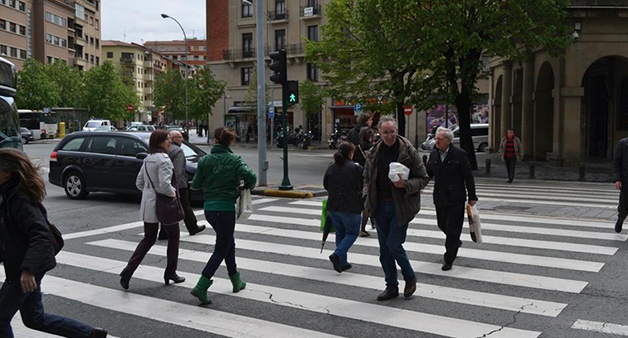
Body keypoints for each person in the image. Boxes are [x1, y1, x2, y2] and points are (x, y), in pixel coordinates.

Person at [0, 148, 107, 338]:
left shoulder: (19, 200)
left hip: (23, 269)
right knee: (34, 318)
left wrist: (28, 270)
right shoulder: (9, 195)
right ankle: (89, 334)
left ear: (7, 172)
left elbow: (41, 235)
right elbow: (10, 236)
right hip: (23, 265)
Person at [363, 115, 430, 301]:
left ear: (397, 131)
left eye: (392, 132)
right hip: (379, 205)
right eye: (385, 132)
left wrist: (406, 185)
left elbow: (423, 178)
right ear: (379, 132)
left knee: (394, 244)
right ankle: (391, 287)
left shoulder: (408, 151)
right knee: (384, 250)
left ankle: (410, 277)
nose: (389, 136)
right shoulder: (375, 151)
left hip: (400, 206)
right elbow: (367, 178)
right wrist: (366, 198)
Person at [190, 127, 257, 305]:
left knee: (228, 242)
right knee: (221, 248)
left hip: (209, 209)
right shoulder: (235, 160)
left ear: (215, 141)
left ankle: (236, 280)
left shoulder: (205, 160)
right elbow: (251, 177)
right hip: (225, 209)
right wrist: (242, 186)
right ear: (230, 142)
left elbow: (195, 185)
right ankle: (202, 285)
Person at [119, 129, 185, 290]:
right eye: (167, 139)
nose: (170, 142)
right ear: (160, 142)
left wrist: (150, 191)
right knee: (174, 237)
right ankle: (170, 272)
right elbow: (164, 185)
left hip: (149, 202)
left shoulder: (148, 158)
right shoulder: (164, 159)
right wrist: (172, 193)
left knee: (148, 239)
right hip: (164, 203)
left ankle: (128, 270)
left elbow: (139, 182)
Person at [426, 127, 478, 271]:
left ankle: (449, 258)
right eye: (436, 138)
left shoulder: (459, 154)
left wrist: (472, 197)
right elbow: (428, 172)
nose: (436, 141)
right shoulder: (434, 154)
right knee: (442, 224)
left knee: (453, 228)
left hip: (456, 197)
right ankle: (455, 242)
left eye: (440, 139)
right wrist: (418, 185)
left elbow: (468, 176)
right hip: (440, 196)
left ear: (448, 141)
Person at [324, 142, 363, 272]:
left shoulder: (331, 167)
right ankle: (337, 254)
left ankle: (342, 262)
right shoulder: (356, 168)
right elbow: (363, 185)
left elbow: (325, 185)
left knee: (340, 233)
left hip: (333, 206)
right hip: (350, 206)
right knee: (352, 233)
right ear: (351, 153)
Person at [158, 131, 206, 239]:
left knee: (168, 207)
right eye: (180, 137)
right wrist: (178, 186)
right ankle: (192, 227)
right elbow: (178, 170)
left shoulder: (165, 149)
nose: (182, 139)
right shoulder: (178, 151)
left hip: (167, 183)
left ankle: (164, 231)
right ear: (173, 138)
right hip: (179, 184)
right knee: (185, 205)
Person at [354, 127, 376, 237]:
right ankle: (363, 228)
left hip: (358, 176)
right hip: (368, 176)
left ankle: (373, 222)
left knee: (365, 199)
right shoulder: (371, 148)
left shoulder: (357, 147)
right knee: (367, 202)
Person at [613, 137, 628, 233]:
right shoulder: (623, 144)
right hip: (626, 180)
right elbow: (617, 163)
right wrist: (617, 179)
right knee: (624, 205)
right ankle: (620, 219)